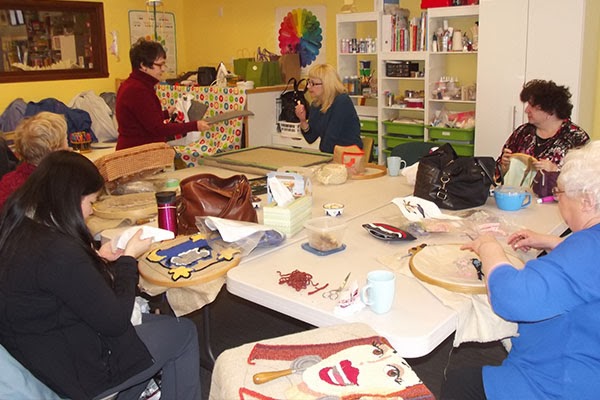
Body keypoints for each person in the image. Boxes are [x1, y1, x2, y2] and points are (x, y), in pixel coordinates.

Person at [0, 151, 200, 400]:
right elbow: (116, 321)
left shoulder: (19, 225)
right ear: (70, 199)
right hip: (78, 372)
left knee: (163, 326)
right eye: (90, 202)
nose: (90, 212)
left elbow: (58, 282)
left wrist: (97, 258)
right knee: (184, 333)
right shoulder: (57, 252)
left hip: (38, 354)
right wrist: (128, 260)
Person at [442, 141, 600, 399]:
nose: (558, 200)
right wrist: (557, 242)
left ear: (587, 201)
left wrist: (489, 248)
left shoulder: (587, 248)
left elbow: (512, 299)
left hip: (561, 384)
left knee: (459, 383)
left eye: (560, 194)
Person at [115, 39, 210, 150]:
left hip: (137, 150)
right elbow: (157, 128)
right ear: (143, 66)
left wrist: (166, 113)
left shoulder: (133, 84)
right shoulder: (138, 90)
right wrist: (194, 126)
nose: (163, 69)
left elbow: (143, 118)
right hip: (138, 154)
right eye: (160, 65)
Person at [496, 79, 589, 179]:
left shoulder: (576, 137)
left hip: (556, 194)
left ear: (549, 110)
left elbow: (586, 179)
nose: (527, 110)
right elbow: (498, 172)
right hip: (519, 194)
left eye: (533, 106)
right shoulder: (523, 132)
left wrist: (556, 170)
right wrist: (504, 166)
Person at [0, 111, 69, 209]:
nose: (68, 146)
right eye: (65, 140)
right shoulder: (53, 183)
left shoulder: (8, 180)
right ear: (56, 149)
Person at [294, 63, 363, 153]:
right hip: (332, 155)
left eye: (312, 83)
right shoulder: (316, 104)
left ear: (326, 84)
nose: (308, 86)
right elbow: (311, 138)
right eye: (308, 82)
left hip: (349, 156)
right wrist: (302, 121)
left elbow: (331, 139)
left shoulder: (342, 101)